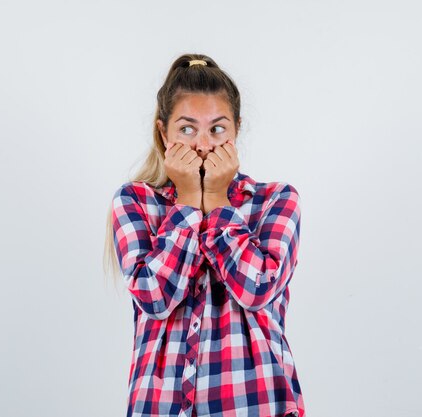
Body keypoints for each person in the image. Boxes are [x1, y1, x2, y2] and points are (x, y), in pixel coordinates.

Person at [103, 53, 305, 417]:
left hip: (254, 404)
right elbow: (155, 298)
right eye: (186, 128)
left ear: (236, 129)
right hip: (161, 406)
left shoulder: (276, 200)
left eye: (217, 128)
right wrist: (186, 203)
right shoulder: (135, 200)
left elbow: (257, 289)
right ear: (163, 132)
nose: (203, 144)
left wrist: (215, 199)